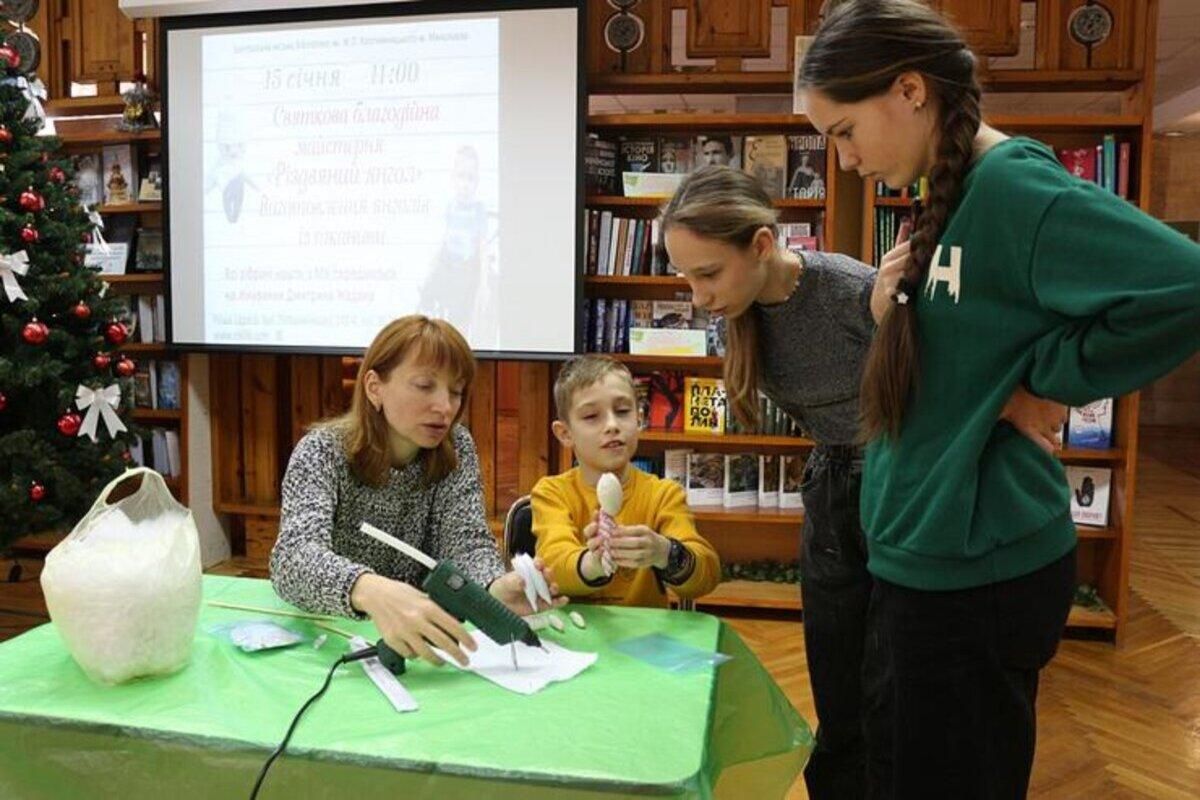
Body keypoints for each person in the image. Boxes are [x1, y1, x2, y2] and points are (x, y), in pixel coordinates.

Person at [796, 0, 1200, 796]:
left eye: (843, 132)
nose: (840, 160)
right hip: (916, 555)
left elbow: (1184, 287)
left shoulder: (1016, 189)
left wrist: (1045, 382)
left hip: (973, 574)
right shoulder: (945, 192)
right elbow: (965, 344)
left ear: (909, 90)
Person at [660, 163, 1068, 799]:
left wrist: (1013, 400)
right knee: (837, 688)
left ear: (762, 246)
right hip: (830, 489)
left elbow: (949, 364)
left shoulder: (848, 289)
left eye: (707, 273)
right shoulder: (733, 318)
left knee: (890, 690)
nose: (697, 294)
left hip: (896, 487)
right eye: (684, 276)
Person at [271, 315, 562, 668]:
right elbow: (292, 559)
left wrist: (492, 588)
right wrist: (368, 589)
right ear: (374, 387)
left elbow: (466, 542)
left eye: (456, 392)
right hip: (325, 639)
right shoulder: (321, 451)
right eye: (425, 386)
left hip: (416, 646)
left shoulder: (457, 447)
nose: (445, 407)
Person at [531, 355, 721, 607]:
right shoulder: (552, 493)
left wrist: (664, 552)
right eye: (591, 416)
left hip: (647, 637)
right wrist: (593, 563)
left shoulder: (663, 494)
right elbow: (552, 564)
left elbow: (706, 575)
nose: (612, 425)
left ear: (639, 419)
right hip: (576, 637)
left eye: (622, 411)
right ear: (565, 433)